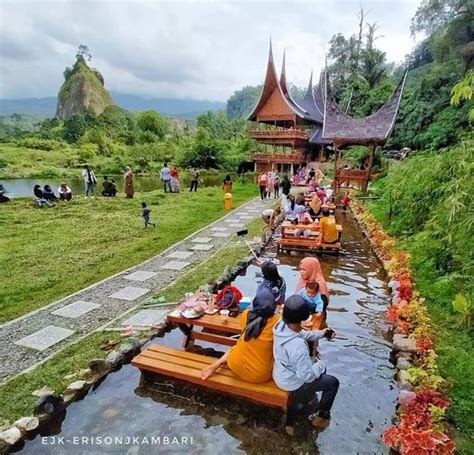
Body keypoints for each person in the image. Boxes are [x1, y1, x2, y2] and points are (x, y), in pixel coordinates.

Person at [273, 295, 339, 428]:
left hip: (280, 372)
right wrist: (320, 364)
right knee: (332, 383)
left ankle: (305, 402)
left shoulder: (281, 325)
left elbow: (300, 334)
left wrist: (321, 333)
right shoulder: (297, 346)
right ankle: (321, 416)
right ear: (303, 318)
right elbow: (306, 377)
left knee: (317, 371)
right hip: (291, 382)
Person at [201, 289, 279, 383]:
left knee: (235, 348)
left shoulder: (246, 314)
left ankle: (218, 363)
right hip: (259, 375)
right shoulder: (277, 321)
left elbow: (246, 329)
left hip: (235, 364)